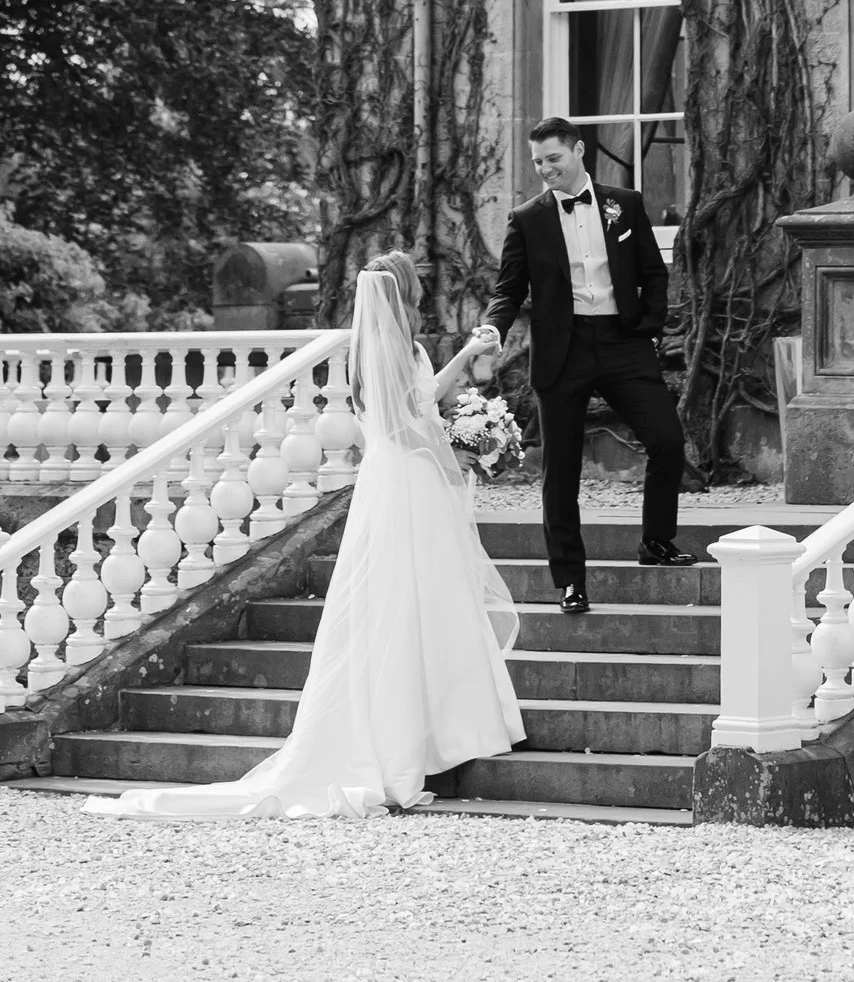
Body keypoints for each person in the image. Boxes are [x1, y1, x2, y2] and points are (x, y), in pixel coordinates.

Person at [89, 252, 522, 818]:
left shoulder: (403, 348)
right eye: (415, 285)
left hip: (408, 479)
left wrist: (465, 356)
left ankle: (451, 727)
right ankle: (405, 738)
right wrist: (452, 457)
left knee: (429, 598)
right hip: (403, 482)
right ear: (403, 292)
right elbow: (397, 427)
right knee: (396, 603)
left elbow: (423, 400)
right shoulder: (381, 351)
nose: (420, 291)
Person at [481, 113, 685, 613]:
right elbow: (509, 289)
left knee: (667, 440)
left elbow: (653, 274)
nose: (545, 169)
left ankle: (656, 541)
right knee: (561, 471)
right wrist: (493, 328)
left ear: (577, 152)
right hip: (563, 350)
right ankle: (571, 581)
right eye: (537, 162)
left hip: (623, 342)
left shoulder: (626, 204)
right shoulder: (527, 219)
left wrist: (649, 330)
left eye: (553, 158)